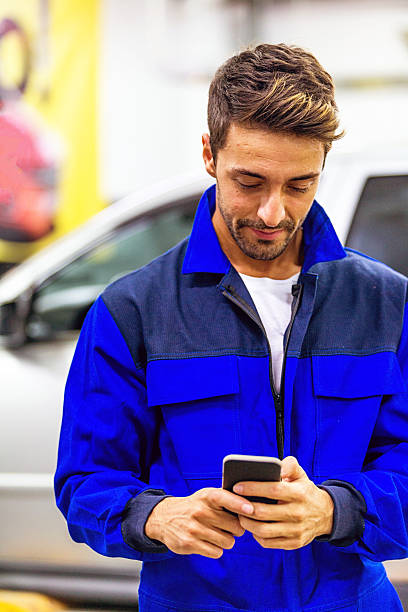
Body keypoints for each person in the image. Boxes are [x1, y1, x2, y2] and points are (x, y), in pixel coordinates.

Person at [54, 44, 408, 611]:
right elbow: (85, 482)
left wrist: (338, 510)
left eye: (300, 184)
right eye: (251, 181)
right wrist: (156, 516)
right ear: (209, 154)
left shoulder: (386, 302)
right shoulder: (134, 310)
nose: (274, 213)